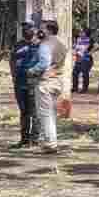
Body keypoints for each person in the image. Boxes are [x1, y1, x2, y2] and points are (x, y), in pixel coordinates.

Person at [29, 20, 69, 154]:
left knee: (45, 114)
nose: (39, 31)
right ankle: (49, 141)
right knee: (51, 113)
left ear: (48, 30)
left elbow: (43, 64)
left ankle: (50, 143)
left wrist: (31, 70)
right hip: (57, 81)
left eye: (42, 29)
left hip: (45, 82)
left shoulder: (46, 44)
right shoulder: (61, 44)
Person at [10, 21, 42, 148]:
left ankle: (34, 140)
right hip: (20, 82)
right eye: (24, 28)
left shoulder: (39, 45)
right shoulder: (18, 45)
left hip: (33, 82)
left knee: (34, 112)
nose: (26, 31)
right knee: (24, 112)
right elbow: (12, 60)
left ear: (35, 30)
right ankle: (24, 139)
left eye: (29, 28)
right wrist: (13, 76)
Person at [71, 28, 95, 94]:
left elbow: (95, 47)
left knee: (85, 74)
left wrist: (89, 52)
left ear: (86, 33)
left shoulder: (90, 40)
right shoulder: (78, 39)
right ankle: (74, 88)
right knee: (75, 73)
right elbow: (75, 47)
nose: (80, 33)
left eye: (82, 32)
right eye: (80, 32)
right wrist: (75, 50)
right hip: (78, 59)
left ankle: (84, 88)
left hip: (86, 60)